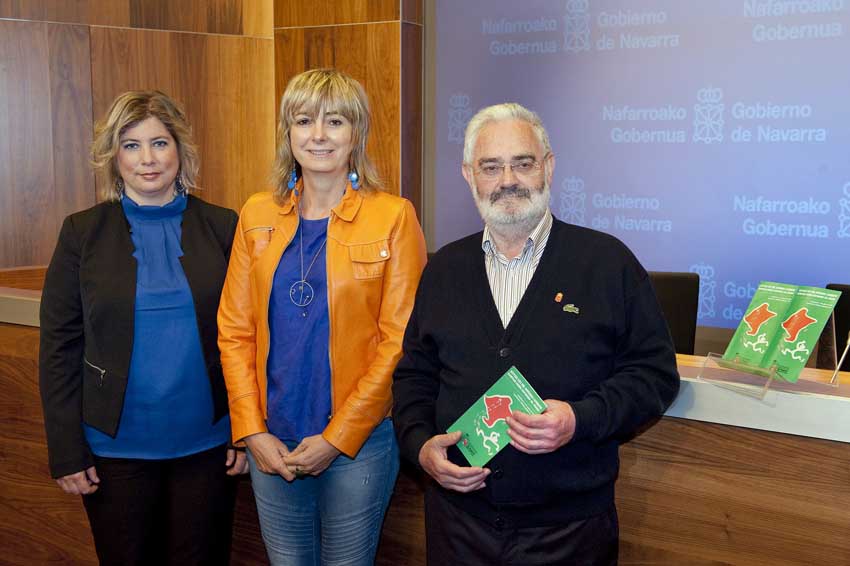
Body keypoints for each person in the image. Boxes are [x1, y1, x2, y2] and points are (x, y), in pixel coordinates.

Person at [392, 102, 680, 565]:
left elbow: (654, 375)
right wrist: (420, 444)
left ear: (548, 166)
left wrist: (579, 419)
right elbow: (414, 377)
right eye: (491, 166)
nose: (508, 179)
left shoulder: (608, 263)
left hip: (569, 530)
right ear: (469, 175)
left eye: (523, 163)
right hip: (456, 525)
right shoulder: (443, 268)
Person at [217, 68, 427, 565]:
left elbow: (399, 343)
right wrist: (251, 431)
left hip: (360, 444)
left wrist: (337, 439)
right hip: (272, 442)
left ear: (356, 133)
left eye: (335, 121)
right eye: (304, 120)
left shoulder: (393, 217)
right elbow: (234, 331)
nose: (318, 135)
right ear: (287, 133)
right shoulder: (255, 214)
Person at [39, 90, 247, 566]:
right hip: (114, 451)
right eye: (131, 145)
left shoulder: (223, 226)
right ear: (114, 156)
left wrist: (245, 430)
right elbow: (58, 350)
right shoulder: (81, 232)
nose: (147, 159)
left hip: (209, 445)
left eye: (159, 143)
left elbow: (249, 337)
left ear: (180, 150)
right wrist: (66, 450)